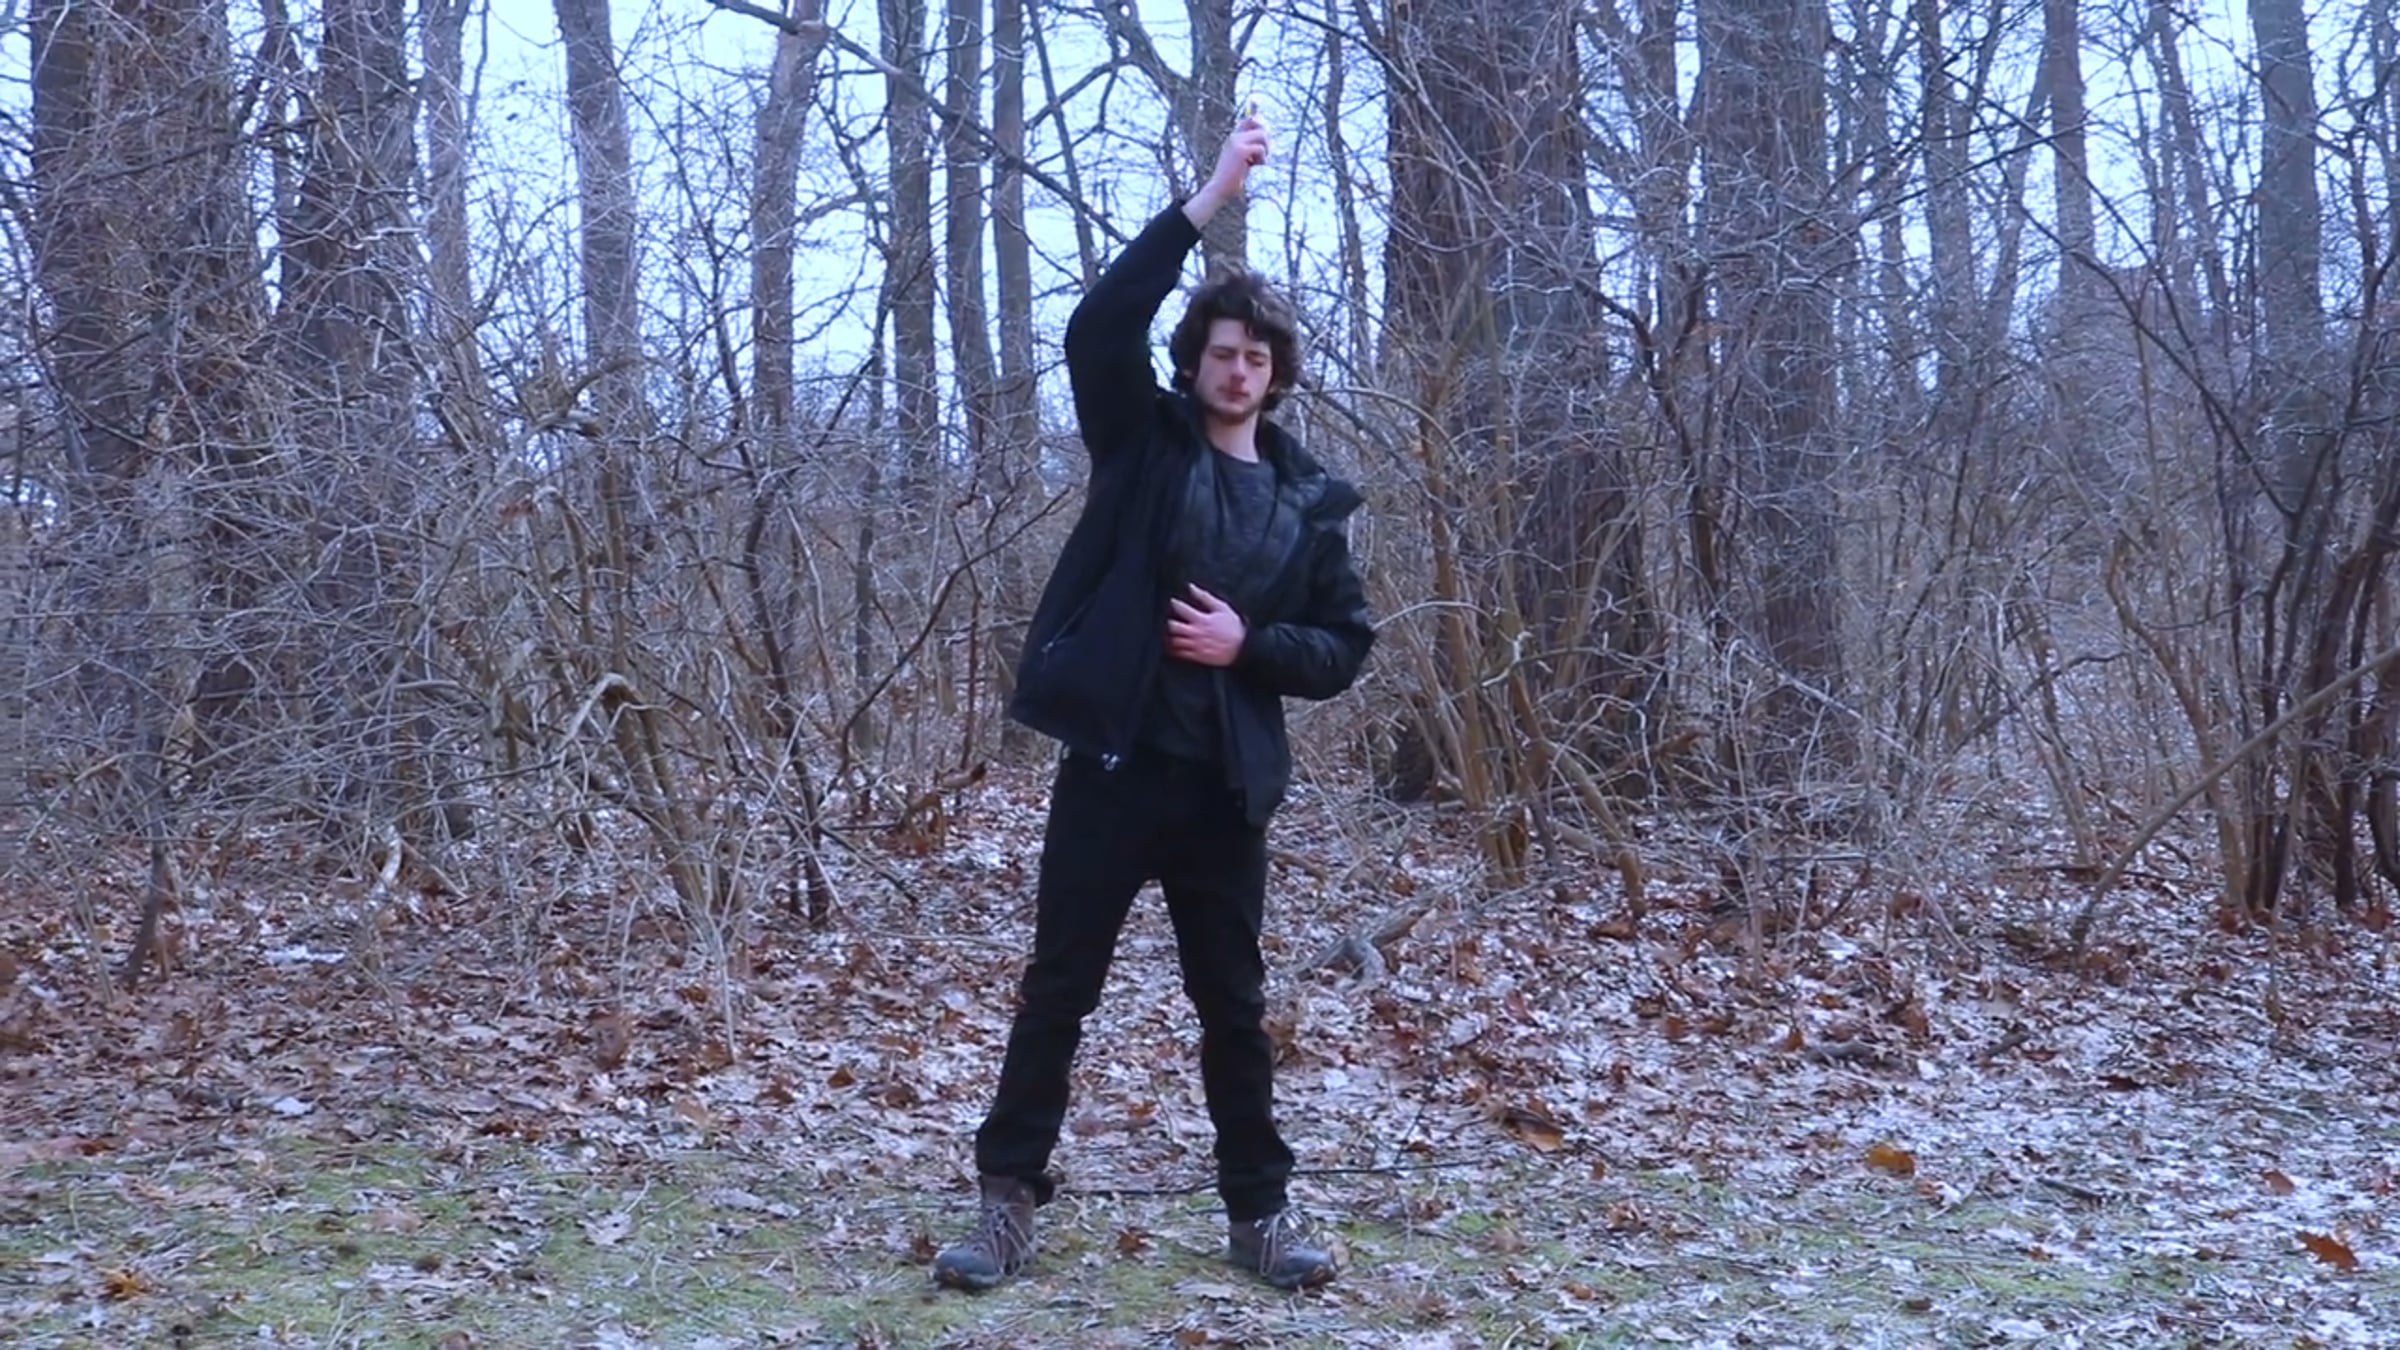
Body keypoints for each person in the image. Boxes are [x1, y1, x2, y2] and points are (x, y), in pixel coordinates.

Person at [933, 112, 1375, 1294]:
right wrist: (1210, 194)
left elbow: (1344, 647)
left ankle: (1260, 1216)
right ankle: (1006, 1204)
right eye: (1222, 351)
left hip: (1223, 790)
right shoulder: (1145, 445)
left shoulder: (1308, 504)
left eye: (1257, 357)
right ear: (1195, 363)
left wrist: (1249, 645)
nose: (1239, 370)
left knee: (1233, 1006)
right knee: (1059, 990)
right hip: (1115, 770)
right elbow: (1099, 325)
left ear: (1277, 375)